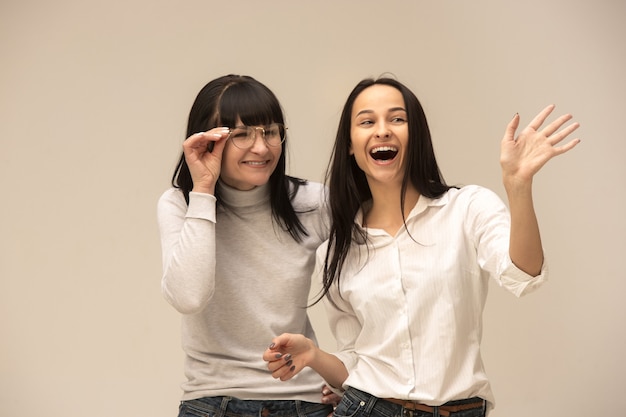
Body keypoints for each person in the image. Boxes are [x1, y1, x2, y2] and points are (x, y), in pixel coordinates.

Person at [263, 77, 580, 416]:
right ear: (350, 147)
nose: (383, 130)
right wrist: (313, 354)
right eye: (367, 121)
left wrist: (518, 186)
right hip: (368, 407)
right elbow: (356, 359)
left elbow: (523, 274)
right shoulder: (337, 250)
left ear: (417, 138)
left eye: (397, 119)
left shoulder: (467, 208)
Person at [157, 74, 339, 417]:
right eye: (241, 135)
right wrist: (203, 191)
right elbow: (188, 296)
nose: (262, 147)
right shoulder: (180, 204)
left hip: (303, 400)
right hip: (212, 401)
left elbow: (371, 291)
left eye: (270, 132)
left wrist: (349, 377)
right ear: (206, 141)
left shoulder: (314, 202)